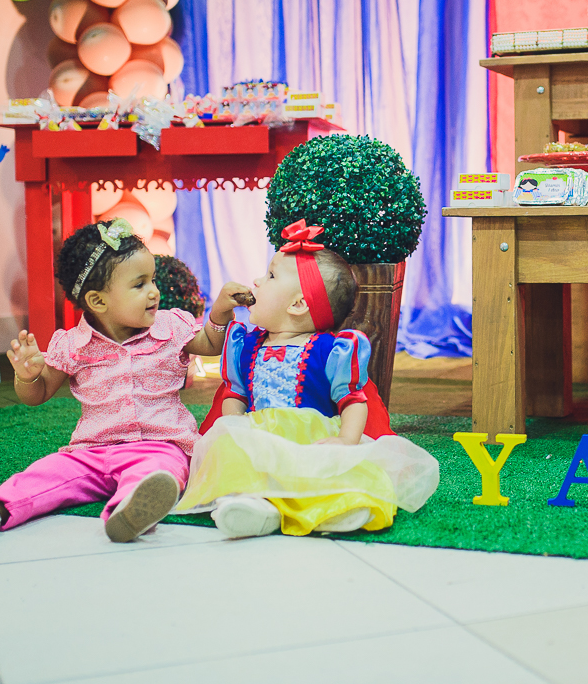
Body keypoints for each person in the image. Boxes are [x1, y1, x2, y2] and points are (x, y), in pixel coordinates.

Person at [0, 218, 251, 543]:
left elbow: (210, 343)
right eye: (139, 284)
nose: (154, 292)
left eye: (153, 280)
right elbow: (37, 394)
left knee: (158, 471)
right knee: (45, 473)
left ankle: (130, 511)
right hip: (90, 452)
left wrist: (220, 312)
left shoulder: (169, 326)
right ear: (97, 301)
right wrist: (27, 377)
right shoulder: (72, 344)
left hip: (159, 445)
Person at [173, 220, 440, 538]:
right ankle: (253, 506)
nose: (257, 281)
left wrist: (346, 440)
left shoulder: (331, 350)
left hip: (309, 438)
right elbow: (236, 393)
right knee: (235, 458)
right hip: (258, 437)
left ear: (298, 304)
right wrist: (234, 430)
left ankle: (335, 507)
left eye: (271, 276)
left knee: (327, 471)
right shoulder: (245, 345)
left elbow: (353, 400)